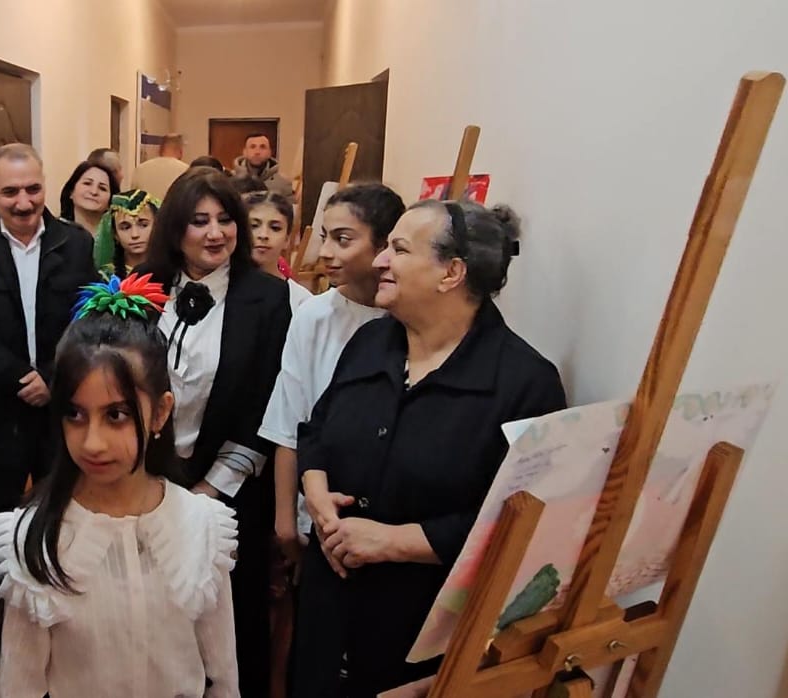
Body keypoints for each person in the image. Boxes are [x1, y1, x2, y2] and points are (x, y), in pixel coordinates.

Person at [292, 201, 567, 697]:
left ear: (451, 273)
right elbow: (317, 429)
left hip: (421, 634)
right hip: (328, 608)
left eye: (398, 249)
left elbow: (521, 523)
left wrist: (395, 542)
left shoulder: (525, 384)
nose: (379, 260)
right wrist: (315, 491)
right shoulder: (370, 342)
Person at [0, 274, 239, 697]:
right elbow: (18, 685)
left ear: (160, 413)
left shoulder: (201, 527)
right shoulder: (36, 539)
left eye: (116, 416)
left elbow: (224, 675)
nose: (93, 442)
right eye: (75, 414)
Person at [140, 167, 291, 698]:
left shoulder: (267, 297)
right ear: (175, 228)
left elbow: (267, 401)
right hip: (148, 482)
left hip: (228, 489)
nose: (215, 233)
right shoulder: (143, 288)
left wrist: (210, 489)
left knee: (230, 617)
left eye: (225, 220)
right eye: (199, 220)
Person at [256, 183, 404, 693]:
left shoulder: (405, 320)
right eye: (324, 236)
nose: (325, 253)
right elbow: (289, 421)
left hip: (386, 528)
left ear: (384, 245)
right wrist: (285, 522)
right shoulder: (314, 316)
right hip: (314, 518)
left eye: (343, 239)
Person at [0, 144, 97, 535]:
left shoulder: (76, 243)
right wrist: (18, 377)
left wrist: (51, 375)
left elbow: (86, 317)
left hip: (60, 404)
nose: (24, 203)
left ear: (45, 185)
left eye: (33, 189)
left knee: (65, 513)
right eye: (10, 192)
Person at [245, 190, 311, 309]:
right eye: (253, 226)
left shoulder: (301, 301)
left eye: (275, 228)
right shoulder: (221, 289)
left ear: (287, 238)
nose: (263, 235)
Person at [93, 188, 160, 279]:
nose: (135, 234)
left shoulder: (172, 272)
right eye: (125, 228)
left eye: (143, 225)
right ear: (115, 234)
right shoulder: (105, 277)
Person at [59, 161, 118, 236]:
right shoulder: (53, 233)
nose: (94, 192)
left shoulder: (120, 238)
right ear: (71, 192)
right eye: (87, 183)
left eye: (102, 188)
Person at [130, 133, 189, 201]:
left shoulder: (140, 169)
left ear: (160, 150)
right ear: (181, 151)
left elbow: (133, 200)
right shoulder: (186, 171)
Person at [231, 133, 293, 198]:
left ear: (269, 152)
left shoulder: (283, 183)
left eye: (262, 147)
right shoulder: (230, 181)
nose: (257, 152)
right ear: (245, 152)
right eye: (252, 147)